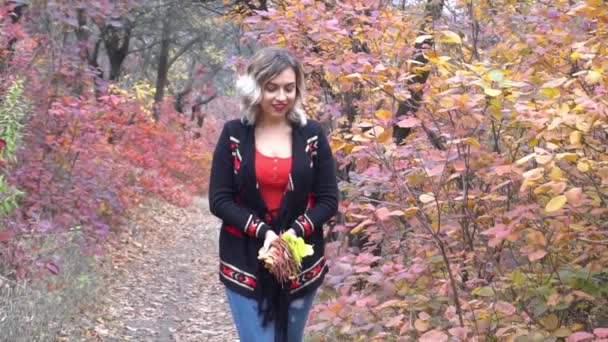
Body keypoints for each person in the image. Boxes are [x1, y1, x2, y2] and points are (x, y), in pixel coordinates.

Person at [208, 47, 339, 342]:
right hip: (243, 259)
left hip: (301, 262)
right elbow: (219, 199)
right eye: (272, 88)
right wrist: (264, 232)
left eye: (289, 88)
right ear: (256, 89)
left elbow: (329, 199)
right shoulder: (233, 134)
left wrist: (294, 232)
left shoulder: (313, 135)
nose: (281, 97)